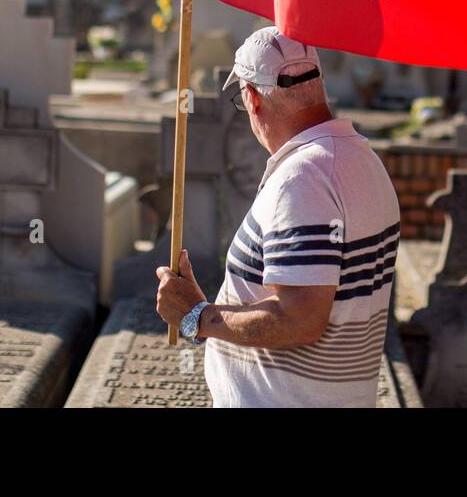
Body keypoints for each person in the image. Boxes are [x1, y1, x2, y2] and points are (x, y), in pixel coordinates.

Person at [155, 26, 400, 407]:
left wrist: (197, 317)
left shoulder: (303, 179)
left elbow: (300, 319)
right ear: (316, 83)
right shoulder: (363, 160)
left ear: (251, 98)